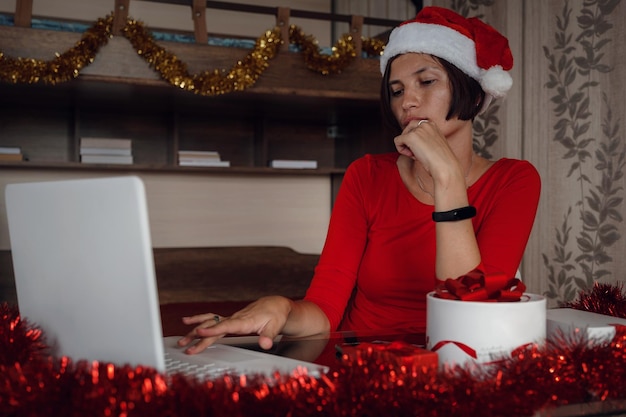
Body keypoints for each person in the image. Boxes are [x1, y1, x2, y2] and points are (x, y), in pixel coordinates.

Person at [178, 6, 541, 354]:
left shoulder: (515, 180)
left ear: (474, 94)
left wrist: (446, 176)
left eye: (426, 81)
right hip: (360, 363)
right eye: (396, 90)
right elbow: (324, 310)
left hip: (458, 362)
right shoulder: (366, 175)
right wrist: (282, 308)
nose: (407, 103)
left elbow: (471, 311)